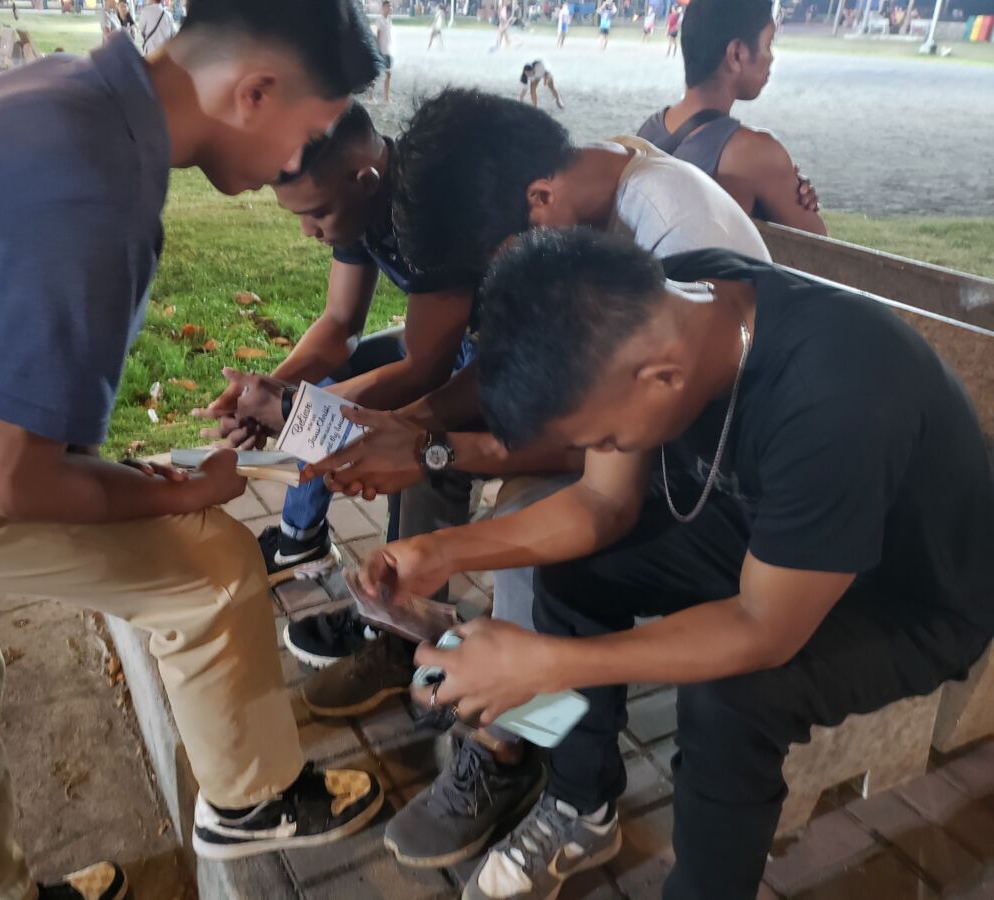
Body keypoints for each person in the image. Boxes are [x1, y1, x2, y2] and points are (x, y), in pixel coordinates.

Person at [0, 3, 388, 898]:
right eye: (306, 133)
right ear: (256, 92)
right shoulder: (93, 192)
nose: (292, 164)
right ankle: (253, 799)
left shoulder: (66, 93)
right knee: (212, 567)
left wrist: (98, 468)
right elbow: (10, 482)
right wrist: (176, 495)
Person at [364, 228, 994, 900]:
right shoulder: (658, 301)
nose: (604, 450)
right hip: (780, 536)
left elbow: (763, 628)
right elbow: (603, 504)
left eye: (606, 437)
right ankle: (580, 806)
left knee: (734, 697)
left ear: (662, 377)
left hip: (913, 593)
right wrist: (444, 550)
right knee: (578, 572)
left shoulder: (838, 394)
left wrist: (548, 663)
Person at [291, 86, 770, 726]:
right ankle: (409, 631)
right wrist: (411, 428)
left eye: (496, 268)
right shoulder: (572, 195)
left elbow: (608, 461)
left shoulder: (671, 237)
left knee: (524, 513)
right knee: (433, 453)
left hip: (701, 476)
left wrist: (430, 447)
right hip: (629, 440)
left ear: (538, 202)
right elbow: (518, 373)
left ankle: (510, 741)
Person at [197, 103, 474, 599]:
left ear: (365, 180)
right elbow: (339, 324)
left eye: (316, 212)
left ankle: (405, 611)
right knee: (321, 386)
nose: (308, 231)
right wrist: (268, 392)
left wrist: (292, 409)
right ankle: (302, 540)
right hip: (446, 345)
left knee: (415, 443)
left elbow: (426, 370)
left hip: (499, 359)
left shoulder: (427, 206)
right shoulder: (361, 206)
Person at [638, 0, 827, 233]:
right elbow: (819, 246)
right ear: (736, 54)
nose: (771, 58)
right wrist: (788, 187)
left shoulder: (648, 131)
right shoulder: (756, 153)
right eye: (768, 44)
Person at [373, 0, 394, 102]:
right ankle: (371, 96)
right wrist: (377, 49)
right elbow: (378, 35)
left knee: (388, 74)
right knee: (377, 74)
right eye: (389, 6)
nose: (391, 8)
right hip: (382, 50)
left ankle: (386, 97)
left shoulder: (389, 19)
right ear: (384, 7)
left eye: (391, 6)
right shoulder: (379, 19)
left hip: (388, 50)